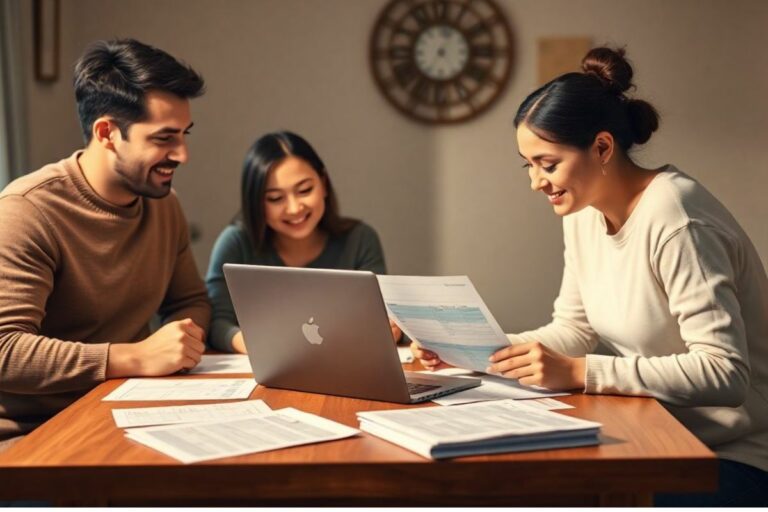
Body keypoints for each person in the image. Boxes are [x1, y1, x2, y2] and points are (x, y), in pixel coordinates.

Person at [412, 47, 768, 506]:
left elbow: (726, 373)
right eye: (529, 165)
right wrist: (468, 350)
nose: (536, 182)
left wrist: (581, 372)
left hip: (731, 455)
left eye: (548, 163)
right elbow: (574, 330)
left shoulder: (678, 221)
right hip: (652, 438)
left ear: (602, 147)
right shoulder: (582, 213)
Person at [0, 39, 211, 452]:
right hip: (33, 435)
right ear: (107, 133)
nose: (182, 154)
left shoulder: (165, 206)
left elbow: (191, 300)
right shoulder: (27, 212)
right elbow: (4, 350)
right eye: (164, 138)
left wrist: (179, 340)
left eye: (184, 135)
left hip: (130, 416)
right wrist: (136, 358)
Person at [206, 131, 400, 353]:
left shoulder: (360, 239)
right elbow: (217, 323)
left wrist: (389, 329)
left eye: (305, 190)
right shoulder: (236, 242)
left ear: (324, 184)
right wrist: (258, 348)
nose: (294, 208)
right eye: (275, 198)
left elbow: (383, 317)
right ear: (256, 202)